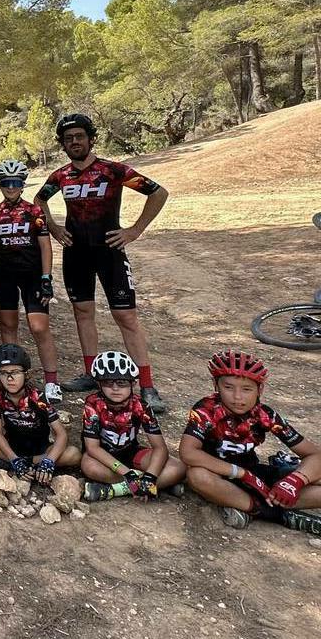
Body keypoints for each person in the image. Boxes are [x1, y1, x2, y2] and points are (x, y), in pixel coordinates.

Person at [35, 113, 169, 412]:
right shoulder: (61, 176)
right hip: (76, 254)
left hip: (110, 251)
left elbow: (158, 192)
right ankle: (91, 373)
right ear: (63, 144)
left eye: (79, 136)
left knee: (126, 317)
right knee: (83, 313)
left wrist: (135, 230)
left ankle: (147, 386)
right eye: (68, 139)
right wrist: (55, 228)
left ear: (91, 138)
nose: (74, 142)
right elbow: (39, 200)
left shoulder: (113, 170)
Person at [180, 350, 321, 533]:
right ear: (215, 385)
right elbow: (188, 452)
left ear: (260, 389)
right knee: (197, 476)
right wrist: (241, 474)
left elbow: (314, 454)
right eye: (228, 387)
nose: (237, 397)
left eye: (247, 389)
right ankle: (277, 514)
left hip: (256, 473)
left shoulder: (266, 415)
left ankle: (255, 507)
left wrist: (294, 481)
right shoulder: (206, 409)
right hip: (220, 475)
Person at [0, 160, 61, 403]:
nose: (11, 188)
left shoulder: (34, 211)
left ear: (22, 185)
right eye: (6, 184)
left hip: (32, 276)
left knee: (39, 327)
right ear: (0, 186)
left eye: (16, 183)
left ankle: (52, 381)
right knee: (7, 326)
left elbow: (45, 245)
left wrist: (46, 277)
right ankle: (12, 375)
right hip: (4, 276)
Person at [80, 351, 186, 502]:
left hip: (131, 452)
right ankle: (160, 485)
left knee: (179, 467)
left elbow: (160, 448)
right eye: (108, 383)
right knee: (89, 466)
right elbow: (92, 448)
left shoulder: (141, 406)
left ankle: (114, 490)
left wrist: (150, 476)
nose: (115, 388)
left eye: (122, 382)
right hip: (102, 457)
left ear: (133, 383)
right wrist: (127, 473)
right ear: (98, 384)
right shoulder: (92, 403)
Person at [0, 343, 80, 486]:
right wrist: (14, 459)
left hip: (40, 449)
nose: (10, 378)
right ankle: (17, 462)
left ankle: (19, 463)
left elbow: (61, 434)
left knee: (73, 454)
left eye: (16, 372)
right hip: (12, 448)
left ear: (26, 374)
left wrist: (49, 461)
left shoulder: (38, 397)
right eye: (4, 373)